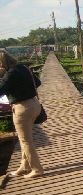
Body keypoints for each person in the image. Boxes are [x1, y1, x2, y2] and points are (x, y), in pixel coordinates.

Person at [0, 50, 44, 178]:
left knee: (25, 141)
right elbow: (38, 83)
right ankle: (24, 166)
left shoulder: (9, 74)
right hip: (34, 105)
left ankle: (37, 169)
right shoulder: (24, 68)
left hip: (22, 109)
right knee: (23, 138)